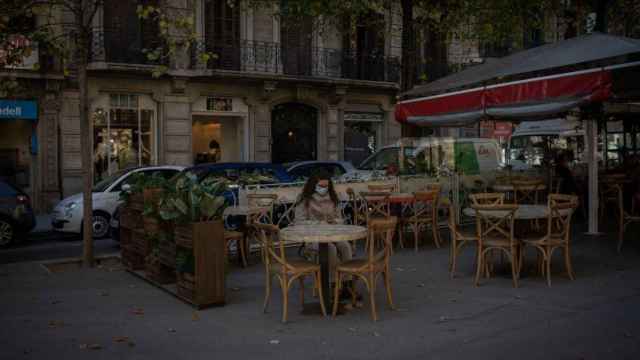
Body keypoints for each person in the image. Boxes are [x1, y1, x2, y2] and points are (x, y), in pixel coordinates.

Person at [294, 170, 355, 298]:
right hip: (313, 238)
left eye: (326, 186)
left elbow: (340, 219)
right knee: (330, 249)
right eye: (321, 186)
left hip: (333, 234)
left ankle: (347, 283)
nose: (324, 189)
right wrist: (320, 224)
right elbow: (299, 222)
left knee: (345, 246)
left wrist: (335, 221)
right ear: (313, 185)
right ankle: (333, 284)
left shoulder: (333, 197)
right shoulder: (304, 198)